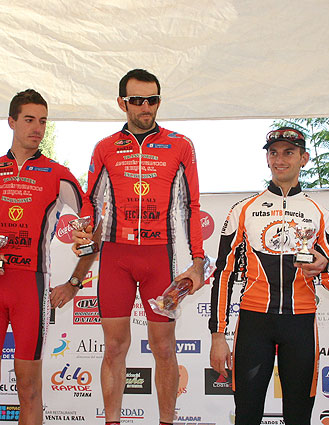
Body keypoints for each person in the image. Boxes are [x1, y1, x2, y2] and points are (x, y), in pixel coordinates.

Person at [71, 68, 205, 425]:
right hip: (116, 255)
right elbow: (90, 201)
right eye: (138, 100)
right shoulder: (105, 148)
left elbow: (192, 206)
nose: (146, 107)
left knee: (164, 347)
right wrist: (84, 232)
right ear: (122, 103)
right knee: (114, 347)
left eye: (153, 100)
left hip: (160, 255)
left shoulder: (180, 145)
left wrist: (198, 261)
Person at [0, 89, 85, 425]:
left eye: (43, 121)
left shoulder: (58, 174)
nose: (37, 128)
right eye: (29, 120)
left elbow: (94, 226)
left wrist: (75, 281)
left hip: (30, 286)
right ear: (11, 122)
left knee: (28, 387)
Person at [209, 127, 329, 425]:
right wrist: (218, 335)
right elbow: (224, 274)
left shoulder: (319, 212)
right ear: (267, 158)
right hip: (254, 322)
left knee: (299, 417)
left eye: (288, 152)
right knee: (247, 416)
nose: (279, 159)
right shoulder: (244, 209)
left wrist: (324, 268)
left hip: (301, 323)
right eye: (273, 153)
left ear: (304, 158)